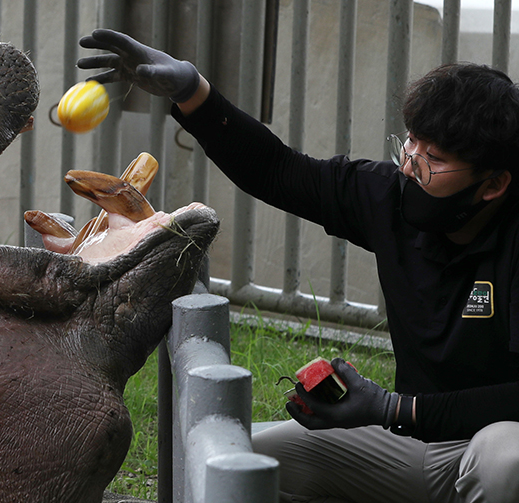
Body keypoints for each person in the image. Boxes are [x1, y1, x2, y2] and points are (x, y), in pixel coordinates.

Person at [78, 29, 519, 502]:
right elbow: (279, 171)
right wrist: (193, 93)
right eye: (410, 144)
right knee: (237, 463)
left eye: (433, 159)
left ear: (492, 186)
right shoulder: (389, 196)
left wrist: (395, 408)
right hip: (413, 442)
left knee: (506, 460)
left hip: (484, 443)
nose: (410, 167)